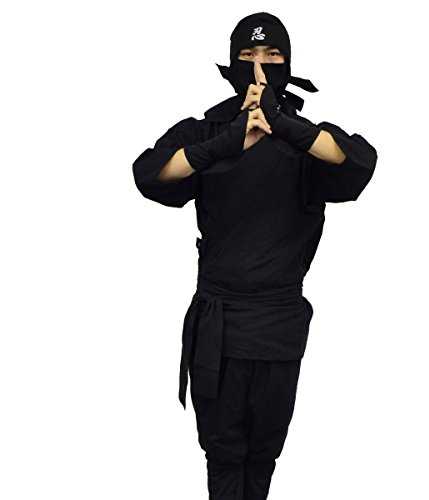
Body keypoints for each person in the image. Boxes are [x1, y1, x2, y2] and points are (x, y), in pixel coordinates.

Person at [132, 11, 377, 500]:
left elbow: (358, 162)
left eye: (272, 55)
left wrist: (284, 127)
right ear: (231, 63)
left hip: (278, 326)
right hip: (219, 328)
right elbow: (150, 174)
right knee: (224, 455)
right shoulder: (206, 131)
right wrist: (226, 144)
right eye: (247, 55)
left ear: (289, 64)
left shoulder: (307, 139)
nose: (259, 67)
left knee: (263, 454)